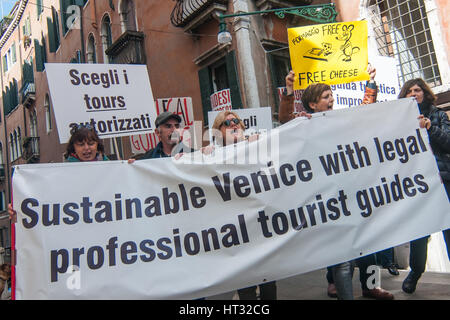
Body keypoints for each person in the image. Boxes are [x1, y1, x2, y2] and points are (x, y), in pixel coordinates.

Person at [279, 66, 394, 300]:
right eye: (325, 97)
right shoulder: (305, 123)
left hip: (355, 191)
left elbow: (365, 111)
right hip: (329, 197)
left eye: (331, 95)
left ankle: (370, 286)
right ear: (312, 104)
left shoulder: (343, 120)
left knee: (370, 240)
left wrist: (371, 83)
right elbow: (284, 121)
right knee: (339, 247)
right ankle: (336, 284)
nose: (332, 99)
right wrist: (289, 90)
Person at [209, 110, 277, 300]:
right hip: (236, 227)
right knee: (245, 284)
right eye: (227, 122)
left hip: (260, 222)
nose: (233, 124)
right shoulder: (213, 156)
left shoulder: (257, 143)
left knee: (269, 280)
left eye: (236, 120)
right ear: (218, 132)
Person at [398, 78, 450, 294]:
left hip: (443, 179)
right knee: (419, 231)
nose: (413, 93)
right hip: (418, 183)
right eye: (409, 91)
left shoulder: (437, 114)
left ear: (425, 93)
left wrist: (430, 128)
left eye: (417, 90)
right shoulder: (399, 120)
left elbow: (448, 142)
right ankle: (416, 272)